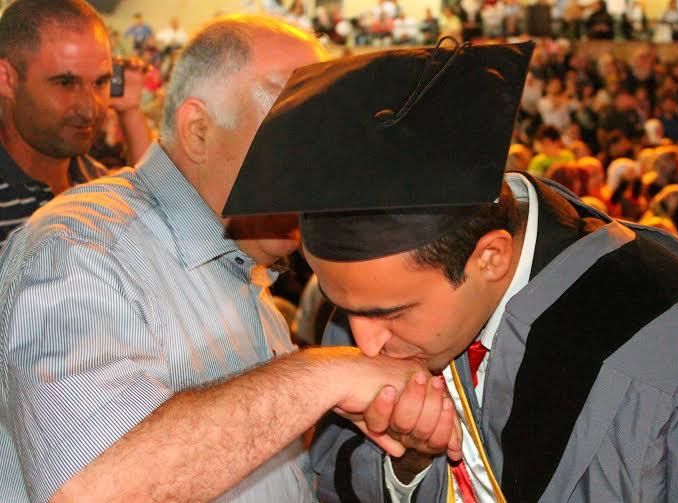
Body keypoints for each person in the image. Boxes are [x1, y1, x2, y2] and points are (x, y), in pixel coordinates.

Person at [224, 42, 678, 502]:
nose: (363, 344)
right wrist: (409, 464)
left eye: (390, 313)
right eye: (343, 307)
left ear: (491, 257)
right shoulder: (376, 296)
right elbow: (337, 479)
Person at [0, 15, 443, 503]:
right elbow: (91, 489)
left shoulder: (238, 270)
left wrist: (406, 452)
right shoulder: (80, 250)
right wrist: (326, 375)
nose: (323, 168)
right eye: (297, 132)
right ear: (198, 131)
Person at [0, 0, 151, 246]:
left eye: (101, 82)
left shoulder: (97, 183)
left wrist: (130, 112)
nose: (89, 109)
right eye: (65, 83)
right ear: (6, 79)